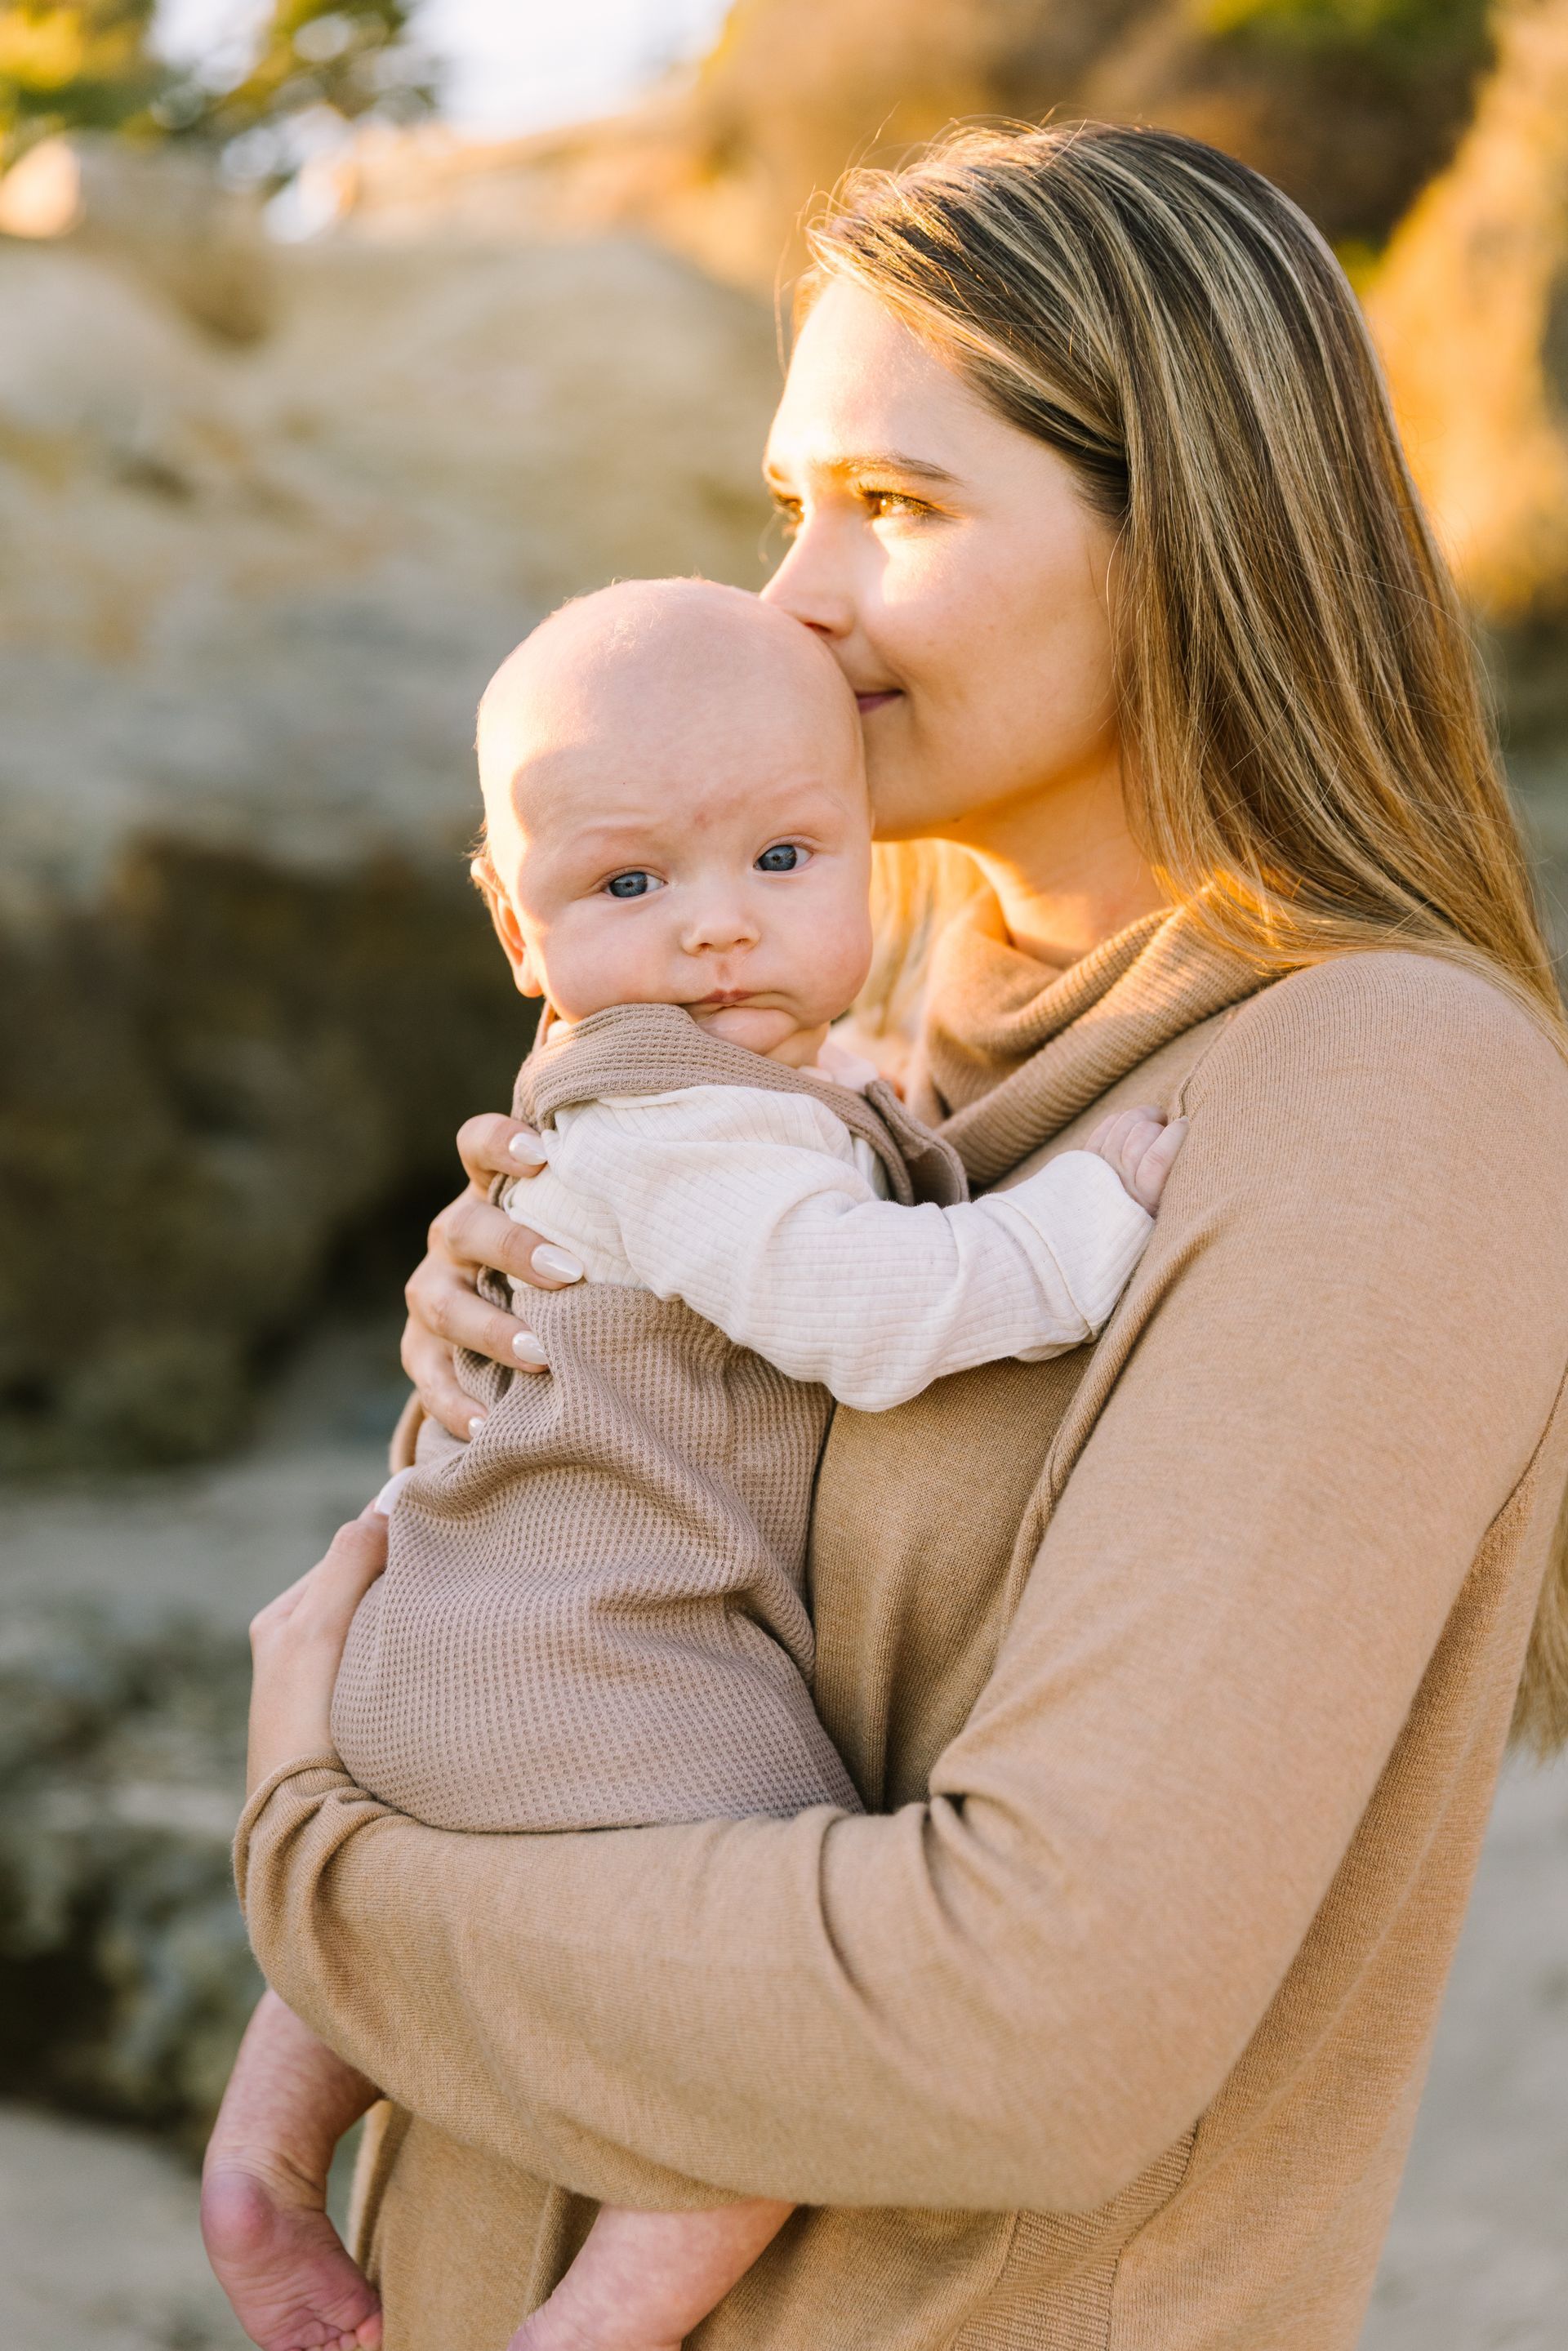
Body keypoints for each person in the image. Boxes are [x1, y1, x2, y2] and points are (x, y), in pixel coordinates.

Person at [227, 123, 1568, 2351]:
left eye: (900, 508)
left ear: (1193, 539)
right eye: (789, 508)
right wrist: (524, 1366)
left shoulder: (1379, 1089)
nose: (795, 607)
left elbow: (1023, 2020)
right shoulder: (818, 1058)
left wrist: (322, 1863)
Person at [202, 577, 1180, 2351]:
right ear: (516, 922)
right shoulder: (695, 1124)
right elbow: (860, 1304)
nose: (719, 933)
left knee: (401, 1909)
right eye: (631, 886)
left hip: (443, 1648)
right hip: (612, 1668)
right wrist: (1089, 1225)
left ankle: (264, 2161)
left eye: (784, 862)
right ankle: (601, 2328)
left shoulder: (628, 1084)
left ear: (868, 850)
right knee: (777, 2033)